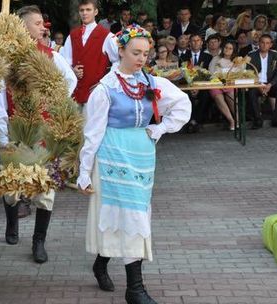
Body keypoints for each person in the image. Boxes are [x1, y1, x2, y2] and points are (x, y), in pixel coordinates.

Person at [77, 24, 191, 304]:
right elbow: (92, 133)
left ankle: (101, 263)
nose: (141, 58)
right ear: (121, 51)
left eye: (145, 53)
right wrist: (83, 172)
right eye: (135, 52)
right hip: (112, 154)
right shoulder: (105, 88)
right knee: (128, 216)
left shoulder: (152, 83)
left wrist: (160, 129)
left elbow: (183, 104)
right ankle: (135, 290)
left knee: (134, 215)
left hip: (141, 155)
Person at [0, 5, 77, 264]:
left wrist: (53, 105)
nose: (43, 27)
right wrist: (2, 133)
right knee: (11, 186)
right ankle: (12, 225)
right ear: (23, 26)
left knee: (46, 187)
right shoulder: (4, 58)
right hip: (16, 130)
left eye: (43, 23)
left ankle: (39, 241)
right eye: (38, 23)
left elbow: (70, 81)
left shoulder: (51, 56)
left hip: (44, 132)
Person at [61, 0, 119, 106]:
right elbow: (65, 62)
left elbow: (119, 62)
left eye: (88, 10)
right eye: (82, 10)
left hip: (96, 96)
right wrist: (72, 70)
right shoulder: (72, 36)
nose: (84, 13)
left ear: (95, 12)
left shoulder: (107, 36)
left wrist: (105, 83)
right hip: (74, 94)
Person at [246, 34, 277, 129]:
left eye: (267, 43)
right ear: (259, 43)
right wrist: (259, 86)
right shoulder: (251, 55)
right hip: (257, 84)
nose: (264, 45)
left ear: (271, 45)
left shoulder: (275, 55)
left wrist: (269, 85)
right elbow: (248, 73)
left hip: (270, 84)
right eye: (263, 43)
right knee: (251, 93)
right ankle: (257, 120)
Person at [208, 41, 238, 130]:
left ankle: (238, 119)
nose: (227, 50)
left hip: (230, 84)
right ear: (222, 49)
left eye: (230, 48)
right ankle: (231, 121)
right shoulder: (216, 59)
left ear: (233, 50)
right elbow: (211, 73)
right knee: (218, 97)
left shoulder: (236, 60)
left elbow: (238, 74)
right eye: (226, 47)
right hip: (216, 84)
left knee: (231, 96)